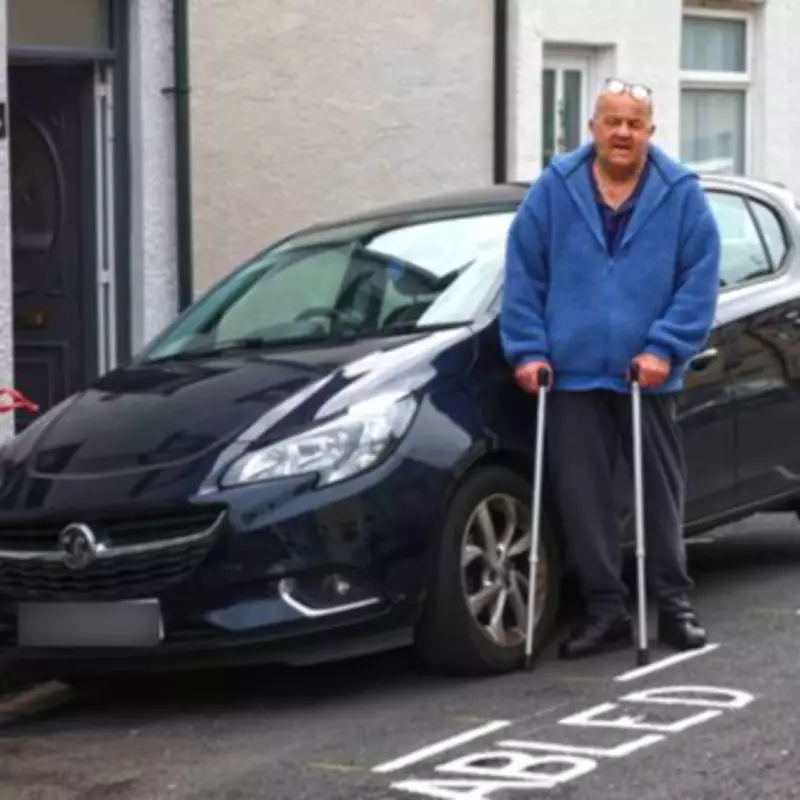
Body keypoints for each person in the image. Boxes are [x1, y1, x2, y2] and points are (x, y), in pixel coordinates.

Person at [500, 78, 721, 660]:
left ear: (651, 130)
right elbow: (524, 273)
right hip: (570, 374)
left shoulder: (681, 193)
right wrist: (528, 350)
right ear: (593, 127)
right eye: (612, 121)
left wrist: (665, 347)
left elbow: (698, 281)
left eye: (635, 123)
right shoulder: (554, 189)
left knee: (659, 494)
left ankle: (673, 603)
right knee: (583, 497)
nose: (622, 132)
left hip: (645, 375)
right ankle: (605, 610)